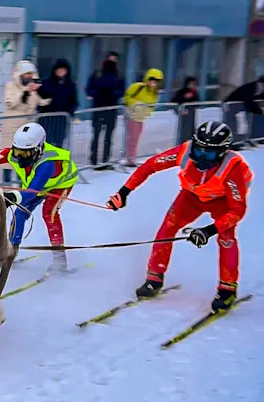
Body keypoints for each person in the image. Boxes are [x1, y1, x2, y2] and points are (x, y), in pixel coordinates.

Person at [107, 121, 252, 313]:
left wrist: (209, 230)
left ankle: (227, 289)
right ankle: (154, 278)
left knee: (226, 239)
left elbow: (237, 210)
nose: (201, 157)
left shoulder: (233, 168)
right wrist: (124, 192)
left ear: (223, 151)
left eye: (208, 153)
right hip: (190, 196)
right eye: (198, 150)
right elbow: (151, 165)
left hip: (222, 202)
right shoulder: (185, 151)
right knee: (167, 229)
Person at [0, 122, 78, 274]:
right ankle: (10, 253)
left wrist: (10, 198)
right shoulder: (15, 154)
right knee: (19, 215)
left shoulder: (48, 163)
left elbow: (32, 192)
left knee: (49, 214)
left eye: (25, 154)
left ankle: (60, 260)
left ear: (38, 150)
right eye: (18, 152)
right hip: (35, 186)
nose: (20, 157)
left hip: (59, 185)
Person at [1, 60, 50, 184]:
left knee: (25, 157)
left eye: (30, 74)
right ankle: (6, 184)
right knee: (9, 157)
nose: (28, 76)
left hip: (28, 128)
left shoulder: (33, 87)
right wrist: (25, 92)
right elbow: (10, 103)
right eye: (26, 74)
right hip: (11, 126)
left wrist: (44, 90)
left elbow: (43, 102)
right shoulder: (10, 86)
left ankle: (22, 185)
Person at [85, 53, 125, 169]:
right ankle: (94, 160)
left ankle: (105, 160)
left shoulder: (119, 76)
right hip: (98, 107)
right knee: (97, 135)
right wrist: (100, 93)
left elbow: (121, 91)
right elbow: (89, 90)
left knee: (108, 136)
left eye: (114, 60)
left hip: (111, 108)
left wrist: (112, 94)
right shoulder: (97, 74)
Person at [122, 68, 163, 165]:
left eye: (156, 80)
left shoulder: (154, 93)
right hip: (132, 115)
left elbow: (152, 105)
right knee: (132, 138)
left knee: (135, 138)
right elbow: (127, 96)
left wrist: (146, 112)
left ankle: (131, 157)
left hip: (141, 117)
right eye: (152, 79)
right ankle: (130, 159)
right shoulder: (138, 87)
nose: (153, 82)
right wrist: (135, 105)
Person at [39, 58, 78, 148]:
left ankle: (57, 161)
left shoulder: (70, 85)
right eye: (59, 69)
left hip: (62, 119)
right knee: (46, 143)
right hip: (47, 119)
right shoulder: (46, 83)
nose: (61, 72)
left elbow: (73, 101)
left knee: (59, 143)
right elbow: (40, 98)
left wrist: (70, 112)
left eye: (63, 70)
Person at [224, 75, 264, 148]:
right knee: (234, 124)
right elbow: (249, 101)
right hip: (231, 105)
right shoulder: (251, 88)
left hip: (241, 105)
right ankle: (233, 142)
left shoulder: (260, 88)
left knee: (248, 123)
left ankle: (246, 139)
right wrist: (259, 111)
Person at [170, 76, 199, 145]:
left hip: (192, 114)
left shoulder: (194, 92)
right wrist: (180, 110)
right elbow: (174, 101)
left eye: (194, 84)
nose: (193, 85)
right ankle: (182, 145)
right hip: (184, 115)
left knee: (191, 130)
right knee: (184, 131)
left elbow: (198, 103)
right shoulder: (182, 91)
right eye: (191, 84)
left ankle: (191, 144)